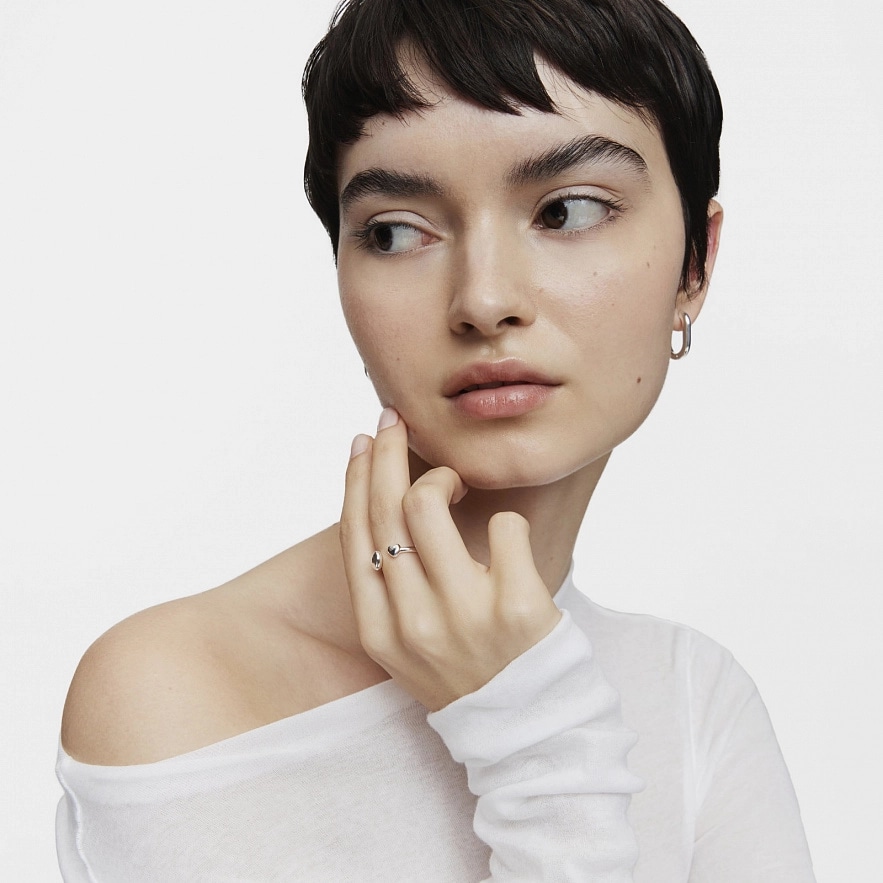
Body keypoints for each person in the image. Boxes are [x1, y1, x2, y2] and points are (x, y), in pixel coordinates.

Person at [56, 0, 816, 879]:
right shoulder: (175, 691)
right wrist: (538, 740)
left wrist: (528, 705)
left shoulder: (691, 697)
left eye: (567, 211)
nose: (483, 299)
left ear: (695, 264)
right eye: (394, 232)